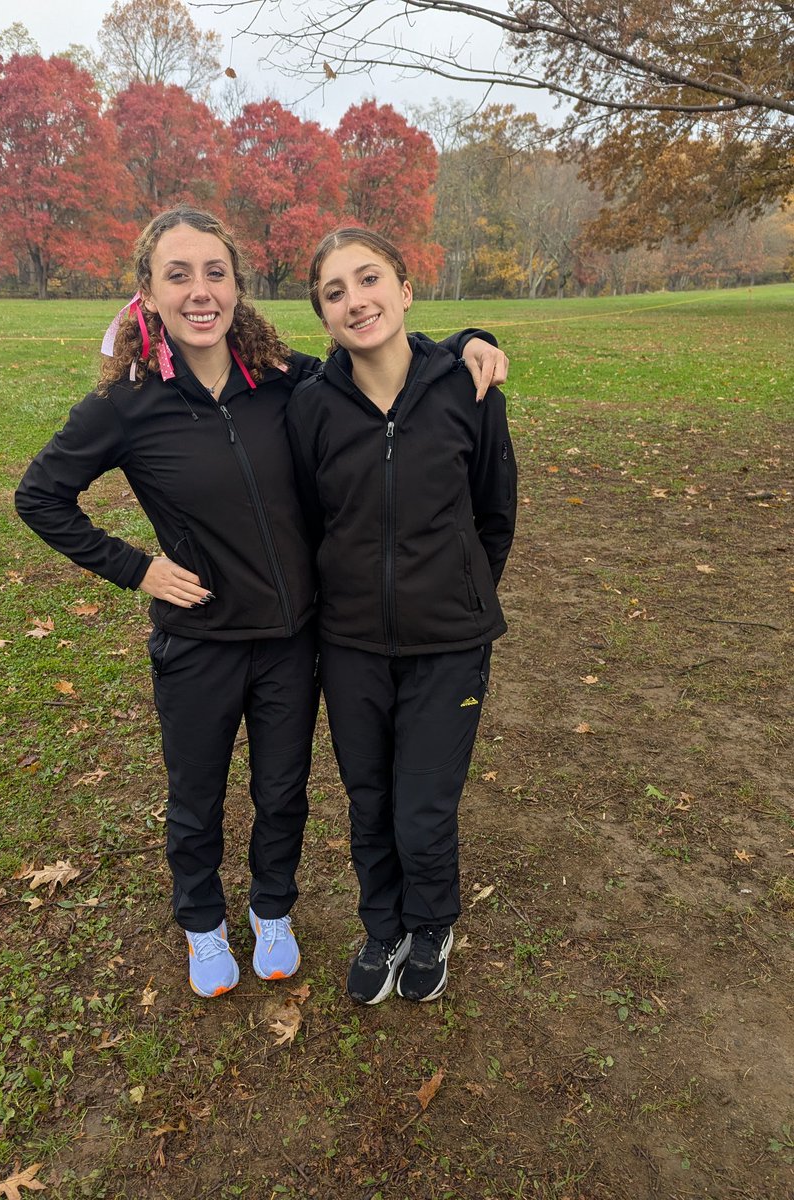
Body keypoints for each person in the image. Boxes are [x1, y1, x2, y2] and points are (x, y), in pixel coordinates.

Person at [15, 205, 508, 999]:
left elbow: (381, 358)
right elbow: (40, 497)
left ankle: (271, 910)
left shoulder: (285, 382)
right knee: (197, 795)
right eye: (178, 275)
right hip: (199, 642)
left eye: (215, 273)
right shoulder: (128, 402)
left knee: (283, 791)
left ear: (239, 286)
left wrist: (465, 342)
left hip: (293, 639)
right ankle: (204, 924)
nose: (200, 291)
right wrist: (138, 569)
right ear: (148, 290)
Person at [287, 228, 517, 1005]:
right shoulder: (312, 408)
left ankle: (431, 924)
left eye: (369, 278)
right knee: (369, 802)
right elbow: (310, 523)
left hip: (448, 645)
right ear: (322, 315)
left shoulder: (467, 388)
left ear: (406, 288)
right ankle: (381, 926)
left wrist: (456, 592)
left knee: (422, 809)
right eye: (335, 292)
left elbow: (494, 514)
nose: (357, 300)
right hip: (350, 647)